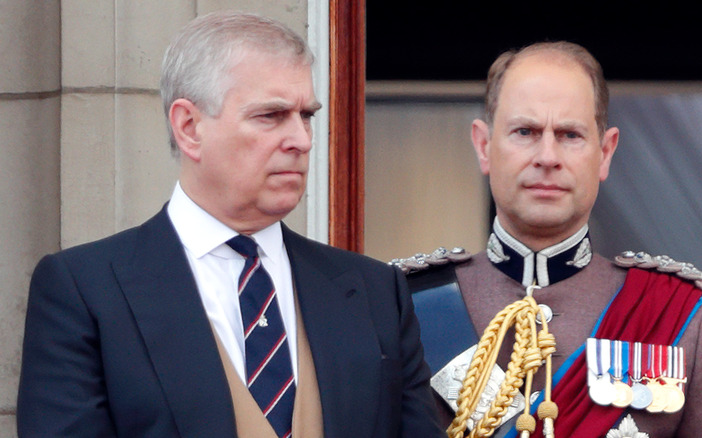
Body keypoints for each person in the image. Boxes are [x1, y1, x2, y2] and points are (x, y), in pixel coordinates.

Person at [17, 11, 443, 438]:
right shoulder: (86, 291)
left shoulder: (375, 292)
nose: (301, 139)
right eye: (271, 116)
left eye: (306, 115)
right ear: (189, 128)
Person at [398, 42, 702, 437]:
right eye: (525, 131)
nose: (547, 156)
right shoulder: (404, 305)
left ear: (604, 152)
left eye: (569, 134)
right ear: (484, 146)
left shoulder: (686, 317)